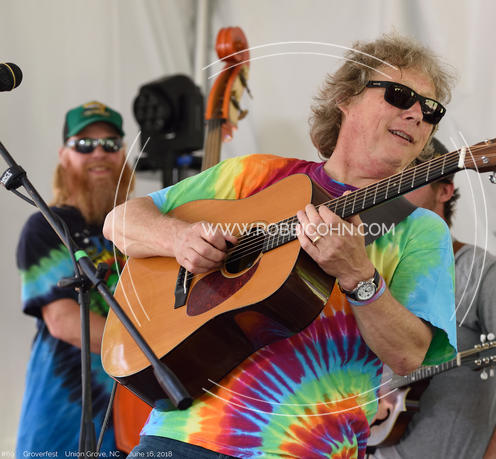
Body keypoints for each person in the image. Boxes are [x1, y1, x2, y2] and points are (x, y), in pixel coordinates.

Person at [104, 34, 457, 458]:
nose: (417, 114)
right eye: (399, 96)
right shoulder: (254, 175)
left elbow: (409, 356)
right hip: (181, 437)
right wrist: (178, 238)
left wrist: (359, 276)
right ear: (346, 98)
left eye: (431, 110)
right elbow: (119, 221)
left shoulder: (421, 229)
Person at [372, 139, 496, 459]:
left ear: (444, 190)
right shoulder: (372, 270)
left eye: (408, 176)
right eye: (389, 177)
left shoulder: (477, 270)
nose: (392, 188)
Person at [16, 101, 134, 457]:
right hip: (65, 419)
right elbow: (65, 322)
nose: (99, 153)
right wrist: (157, 353)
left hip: (136, 414)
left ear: (123, 155)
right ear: (63, 156)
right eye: (84, 144)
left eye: (110, 144)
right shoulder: (47, 226)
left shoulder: (139, 229)